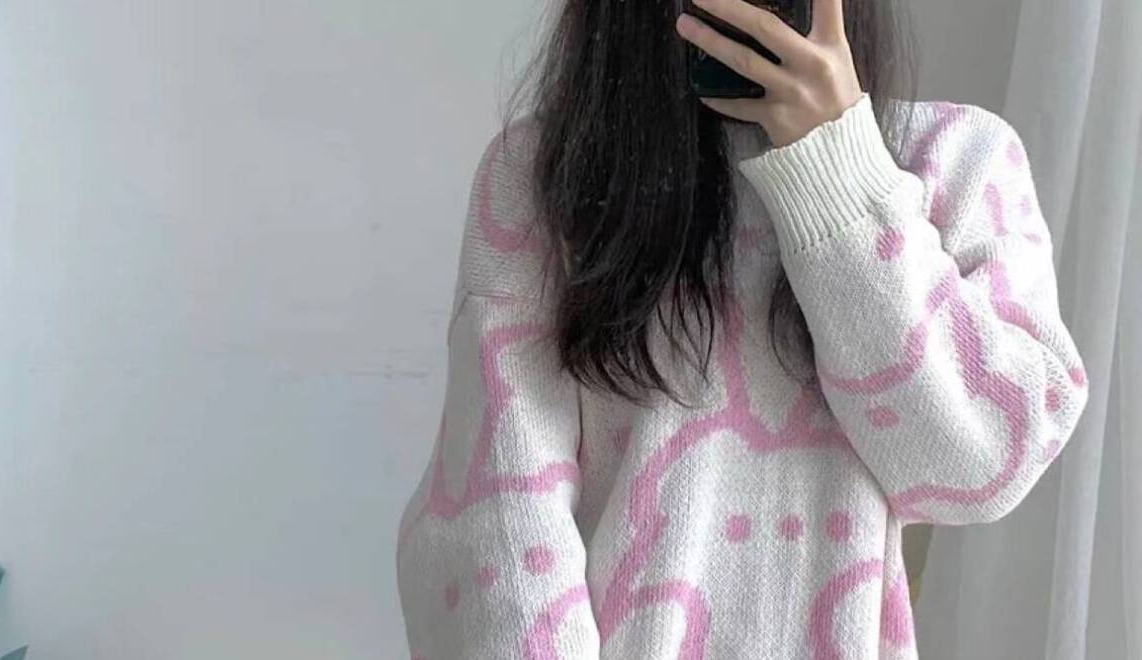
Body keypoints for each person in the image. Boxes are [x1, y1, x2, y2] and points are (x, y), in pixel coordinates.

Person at [395, 0, 1089, 657]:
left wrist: (838, 168)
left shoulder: (955, 159)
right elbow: (498, 520)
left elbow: (979, 467)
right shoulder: (547, 172)